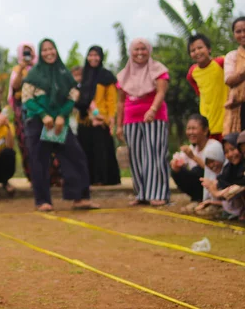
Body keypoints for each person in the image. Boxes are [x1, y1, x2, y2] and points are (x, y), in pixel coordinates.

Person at [22, 38, 99, 212]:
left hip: (60, 123)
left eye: (51, 49)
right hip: (38, 123)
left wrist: (62, 115)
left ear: (56, 50)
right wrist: (44, 115)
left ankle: (80, 197)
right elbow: (27, 99)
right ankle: (42, 201)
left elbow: (72, 96)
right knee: (39, 161)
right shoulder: (33, 75)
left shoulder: (64, 73)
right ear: (40, 54)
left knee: (75, 155)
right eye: (45, 50)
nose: (49, 53)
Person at [116, 38, 170, 206]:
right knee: (136, 156)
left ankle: (158, 193)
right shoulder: (124, 74)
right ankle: (142, 193)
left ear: (149, 50)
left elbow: (161, 92)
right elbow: (120, 102)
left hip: (154, 117)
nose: (140, 52)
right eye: (136, 49)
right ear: (131, 52)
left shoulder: (158, 70)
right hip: (131, 119)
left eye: (143, 49)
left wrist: (152, 110)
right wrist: (118, 125)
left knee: (155, 154)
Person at [75, 45, 121, 186]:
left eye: (96, 55)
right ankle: (87, 179)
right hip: (84, 119)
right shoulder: (84, 75)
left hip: (101, 120)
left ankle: (102, 179)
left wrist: (109, 118)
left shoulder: (106, 76)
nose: (93, 58)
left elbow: (112, 100)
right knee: (84, 149)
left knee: (101, 150)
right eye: (90, 55)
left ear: (101, 57)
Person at [170, 114, 223, 203]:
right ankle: (197, 197)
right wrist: (175, 164)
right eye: (188, 128)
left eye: (194, 128)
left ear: (205, 131)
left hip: (217, 184)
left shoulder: (214, 146)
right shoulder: (191, 148)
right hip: (201, 185)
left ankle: (210, 199)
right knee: (177, 172)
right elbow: (177, 163)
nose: (191, 132)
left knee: (197, 170)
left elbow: (214, 171)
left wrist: (193, 157)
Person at [186, 34, 227, 141]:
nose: (197, 52)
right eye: (193, 50)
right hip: (206, 124)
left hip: (226, 121)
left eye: (200, 48)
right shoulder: (192, 73)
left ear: (209, 49)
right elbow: (199, 92)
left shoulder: (221, 62)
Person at [8, 42, 37, 181]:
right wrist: (21, 69)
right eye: (24, 52)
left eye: (29, 52)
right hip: (22, 110)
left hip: (38, 108)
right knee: (25, 143)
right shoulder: (17, 69)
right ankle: (32, 176)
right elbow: (15, 86)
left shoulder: (39, 68)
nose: (27, 55)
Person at [199, 133, 245, 220]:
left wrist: (216, 193)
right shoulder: (230, 168)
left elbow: (237, 188)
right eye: (226, 151)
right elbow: (220, 182)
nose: (231, 154)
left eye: (233, 149)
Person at [223, 17, 245, 135]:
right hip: (240, 108)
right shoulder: (232, 56)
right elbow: (229, 80)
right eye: (238, 31)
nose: (242, 34)